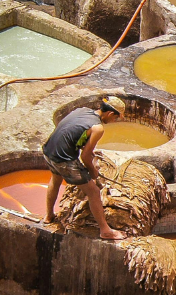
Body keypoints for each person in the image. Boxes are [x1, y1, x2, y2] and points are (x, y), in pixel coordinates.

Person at [41, 95, 127, 239]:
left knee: (55, 180)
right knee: (93, 192)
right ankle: (105, 230)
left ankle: (49, 216)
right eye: (115, 118)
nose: (114, 121)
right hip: (63, 159)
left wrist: (90, 163)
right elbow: (85, 156)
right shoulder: (98, 128)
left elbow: (75, 137)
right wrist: (93, 172)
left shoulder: (82, 110)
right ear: (110, 113)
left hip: (48, 151)